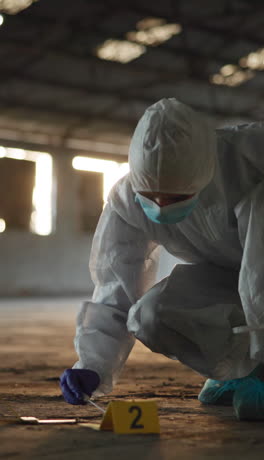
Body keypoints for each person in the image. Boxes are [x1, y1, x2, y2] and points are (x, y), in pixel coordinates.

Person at [60, 98, 264, 420]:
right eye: (150, 196)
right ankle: (241, 373)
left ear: (204, 173)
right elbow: (117, 287)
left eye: (176, 197)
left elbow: (258, 275)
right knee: (151, 316)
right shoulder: (127, 201)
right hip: (227, 275)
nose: (161, 205)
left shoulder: (250, 157)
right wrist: (93, 366)